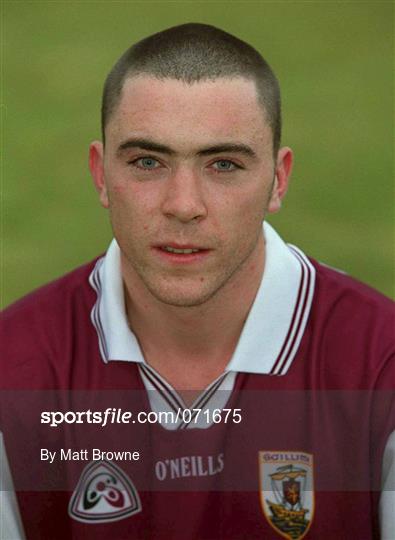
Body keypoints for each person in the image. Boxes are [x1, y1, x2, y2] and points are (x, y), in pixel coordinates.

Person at [1, 23, 394, 540]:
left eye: (223, 164)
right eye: (148, 161)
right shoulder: (15, 367)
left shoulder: (379, 362)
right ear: (101, 174)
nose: (183, 205)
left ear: (278, 180)